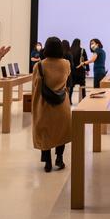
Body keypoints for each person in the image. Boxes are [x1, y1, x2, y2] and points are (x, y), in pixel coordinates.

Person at [32, 37, 72, 172]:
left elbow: (36, 86)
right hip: (62, 104)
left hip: (44, 105)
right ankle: (59, 159)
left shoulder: (39, 66)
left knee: (45, 133)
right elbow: (66, 79)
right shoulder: (66, 64)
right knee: (61, 131)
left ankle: (47, 162)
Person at [61, 39, 75, 104]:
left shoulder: (59, 54)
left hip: (60, 74)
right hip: (68, 74)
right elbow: (71, 65)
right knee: (68, 89)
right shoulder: (69, 54)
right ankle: (68, 101)